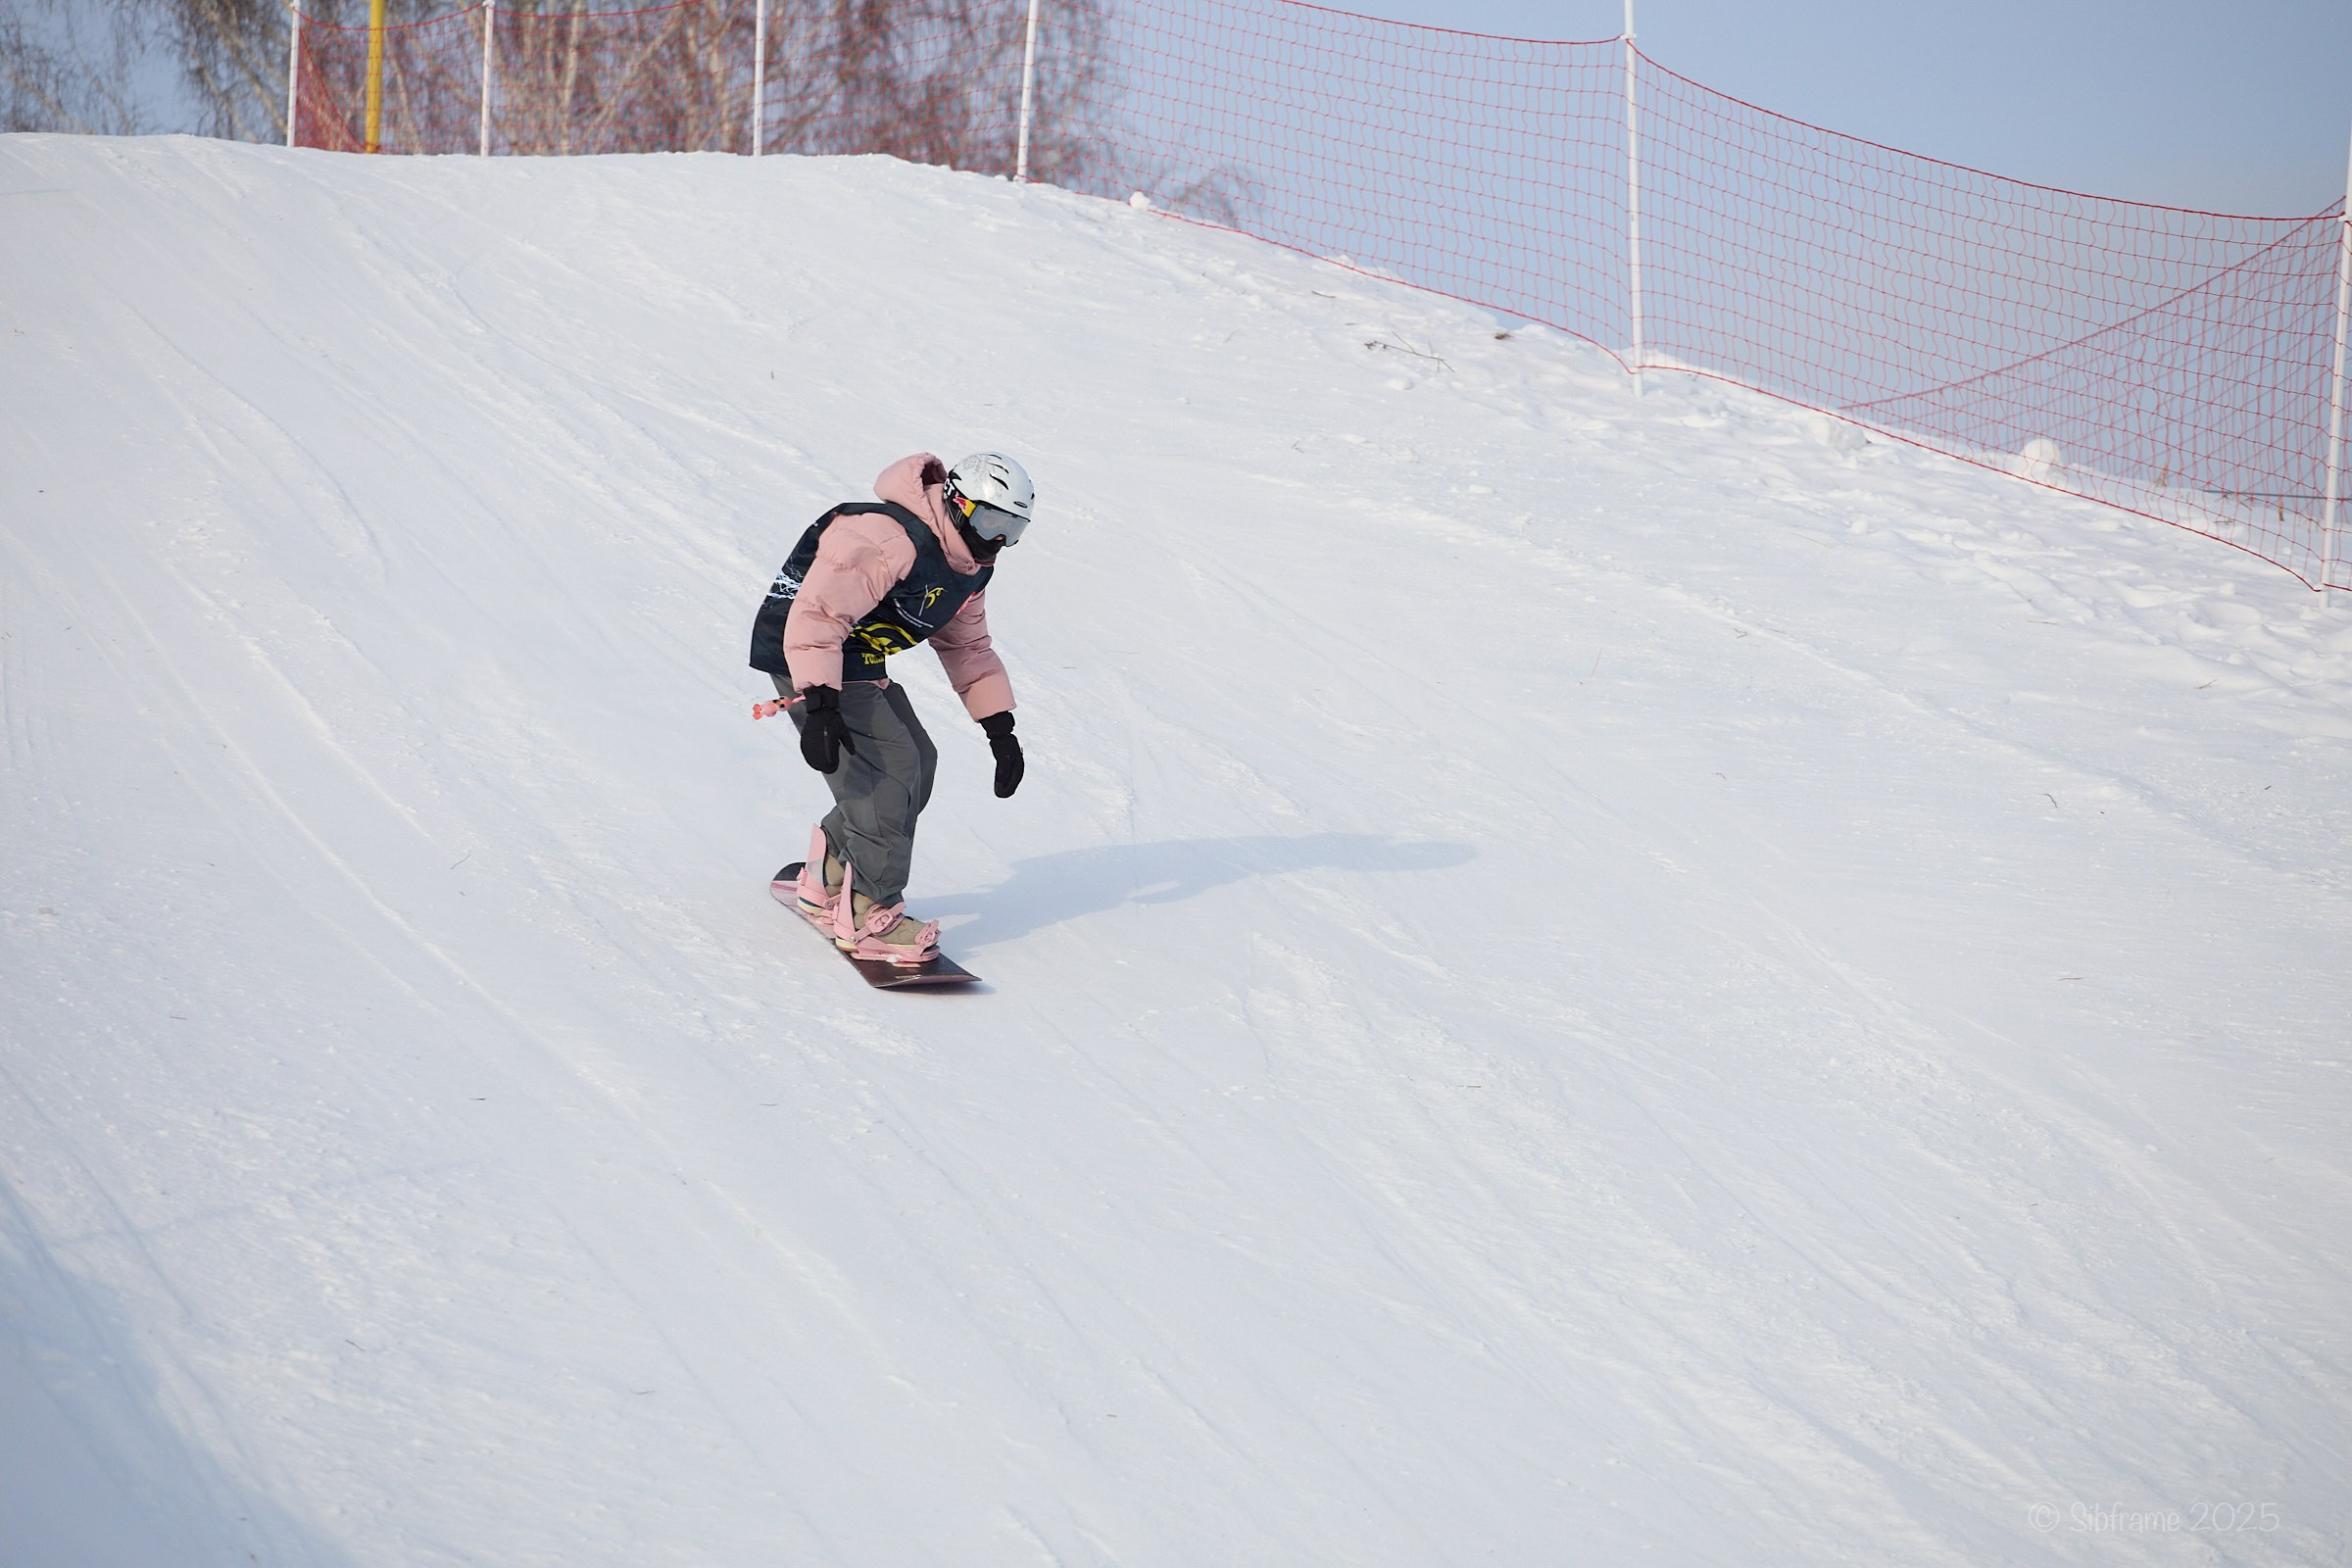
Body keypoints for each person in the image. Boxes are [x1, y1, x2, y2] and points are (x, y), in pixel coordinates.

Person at [748, 452, 1031, 964]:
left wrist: (999, 728)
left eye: (1012, 529)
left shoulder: (967, 567)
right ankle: (867, 911)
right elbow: (819, 615)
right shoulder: (887, 538)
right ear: (958, 501)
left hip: (855, 660)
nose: (997, 539)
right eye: (991, 521)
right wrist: (820, 704)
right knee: (890, 771)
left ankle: (829, 875)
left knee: (918, 761)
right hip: (810, 655)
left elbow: (967, 647)